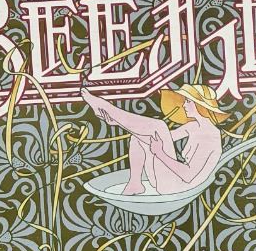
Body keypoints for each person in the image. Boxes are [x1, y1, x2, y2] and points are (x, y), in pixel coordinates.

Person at [81, 80, 227, 196]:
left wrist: (161, 154)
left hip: (179, 189)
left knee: (159, 126)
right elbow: (156, 137)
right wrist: (117, 123)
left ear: (201, 106)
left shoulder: (211, 138)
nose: (183, 105)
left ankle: (107, 107)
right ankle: (135, 184)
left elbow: (188, 175)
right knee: (141, 136)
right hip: (166, 181)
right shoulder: (193, 126)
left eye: (188, 101)